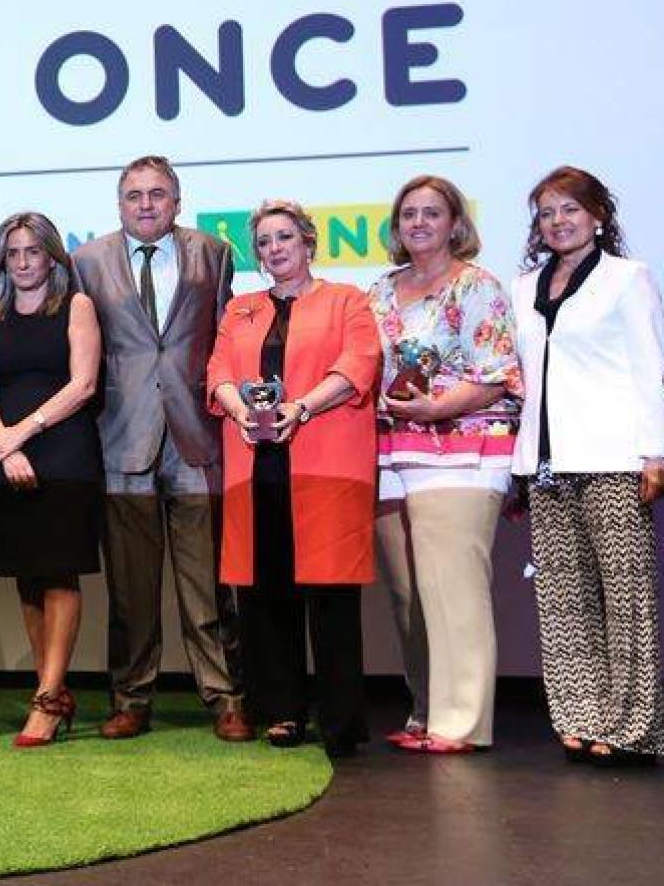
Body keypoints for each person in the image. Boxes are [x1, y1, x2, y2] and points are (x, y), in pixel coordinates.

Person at [71, 155, 248, 742]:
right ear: (119, 203)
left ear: (177, 200)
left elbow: (226, 339)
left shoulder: (213, 253)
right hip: (122, 436)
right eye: (134, 195)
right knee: (131, 588)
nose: (146, 205)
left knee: (208, 585)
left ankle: (225, 699)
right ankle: (131, 699)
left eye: (157, 194)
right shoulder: (86, 261)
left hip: (198, 435)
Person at [208, 200, 380, 757]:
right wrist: (239, 411)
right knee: (264, 597)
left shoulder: (346, 301)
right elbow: (218, 373)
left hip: (324, 469)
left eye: (285, 237)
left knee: (330, 602)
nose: (275, 248)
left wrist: (300, 408)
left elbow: (360, 363)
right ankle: (281, 711)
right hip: (256, 471)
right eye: (264, 242)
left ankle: (341, 720)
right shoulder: (241, 309)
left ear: (308, 242)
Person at [512, 166, 664, 767]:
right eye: (547, 213)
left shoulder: (628, 279)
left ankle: (631, 729)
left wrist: (656, 451)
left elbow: (650, 370)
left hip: (613, 459)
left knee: (624, 598)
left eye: (570, 210)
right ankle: (579, 718)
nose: (558, 222)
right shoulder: (525, 286)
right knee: (563, 601)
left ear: (598, 216)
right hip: (547, 463)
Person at [368, 176, 521, 754]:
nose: (419, 224)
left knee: (452, 589)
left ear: (456, 224)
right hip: (390, 454)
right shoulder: (379, 292)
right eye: (408, 214)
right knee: (409, 594)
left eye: (432, 213)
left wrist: (436, 407)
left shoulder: (477, 287)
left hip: (462, 452)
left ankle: (462, 723)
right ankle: (426, 710)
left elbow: (496, 375)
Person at [0, 212, 101, 747]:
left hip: (63, 454)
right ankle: (52, 689)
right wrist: (2, 443)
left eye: (33, 251)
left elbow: (84, 384)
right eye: (13, 253)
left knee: (59, 574)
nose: (23, 262)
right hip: (5, 457)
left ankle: (48, 699)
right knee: (26, 577)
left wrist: (22, 432)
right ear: (2, 259)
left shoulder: (76, 306)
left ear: (52, 255)